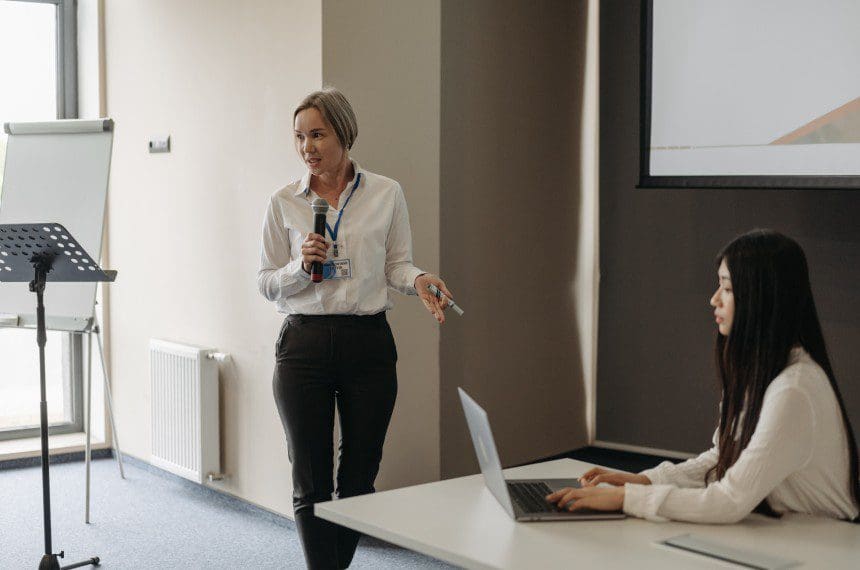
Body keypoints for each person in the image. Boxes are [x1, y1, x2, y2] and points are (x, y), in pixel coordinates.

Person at [257, 87, 453, 569]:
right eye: (300, 136)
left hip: (367, 343)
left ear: (344, 133)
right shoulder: (283, 201)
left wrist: (421, 279)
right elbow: (265, 283)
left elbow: (397, 266)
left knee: (360, 479)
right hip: (302, 344)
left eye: (318, 134)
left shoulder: (386, 193)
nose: (307, 147)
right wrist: (299, 270)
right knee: (310, 481)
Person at [547, 229, 860, 524]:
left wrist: (627, 498)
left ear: (760, 301)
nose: (714, 299)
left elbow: (729, 500)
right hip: (787, 535)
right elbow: (722, 459)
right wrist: (645, 479)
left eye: (726, 288)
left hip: (829, 547)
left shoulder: (794, 390)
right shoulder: (763, 373)